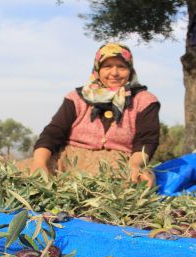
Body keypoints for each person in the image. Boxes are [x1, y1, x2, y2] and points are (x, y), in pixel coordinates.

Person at [24, 43, 160, 185]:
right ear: (97, 69)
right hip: (68, 161)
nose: (114, 73)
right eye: (107, 67)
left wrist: (135, 166)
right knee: (19, 175)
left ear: (130, 70)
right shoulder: (76, 98)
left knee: (139, 182)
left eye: (121, 67)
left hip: (117, 165)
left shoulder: (145, 100)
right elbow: (52, 134)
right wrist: (39, 163)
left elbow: (146, 141)